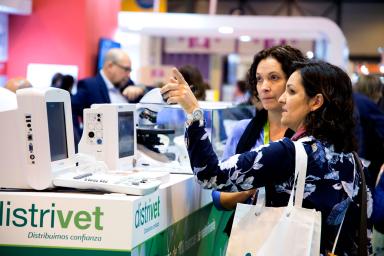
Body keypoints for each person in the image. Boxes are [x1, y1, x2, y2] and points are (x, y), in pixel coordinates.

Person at [161, 60, 372, 254]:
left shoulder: (288, 153)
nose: (282, 98)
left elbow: (210, 175)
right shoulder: (353, 160)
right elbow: (364, 234)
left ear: (315, 102)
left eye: (291, 91)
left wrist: (193, 112)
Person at [217, 46, 305, 217]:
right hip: (249, 233)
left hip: (294, 233)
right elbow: (218, 195)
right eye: (259, 79)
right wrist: (247, 190)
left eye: (274, 78)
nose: (264, 87)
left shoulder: (307, 136)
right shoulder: (242, 130)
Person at [71, 48, 143, 140]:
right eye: (126, 69)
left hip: (130, 143)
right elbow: (70, 111)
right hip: (103, 147)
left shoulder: (128, 84)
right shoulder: (89, 86)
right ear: (110, 66)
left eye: (129, 71)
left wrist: (141, 89)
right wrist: (79, 139)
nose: (128, 75)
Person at [353, 74, 384, 187]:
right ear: (374, 91)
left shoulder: (349, 101)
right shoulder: (369, 106)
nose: (381, 95)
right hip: (366, 162)